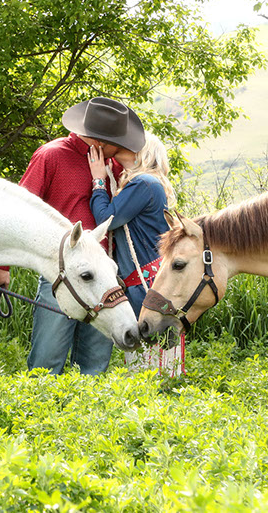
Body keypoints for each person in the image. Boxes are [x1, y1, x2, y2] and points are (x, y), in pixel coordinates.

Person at [0, 97, 145, 375]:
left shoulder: (114, 166)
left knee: (94, 366)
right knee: (46, 363)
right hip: (60, 275)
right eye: (118, 143)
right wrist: (1, 265)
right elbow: (18, 211)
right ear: (100, 141)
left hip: (104, 276)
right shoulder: (51, 156)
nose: (123, 149)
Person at [87, 133, 182, 375]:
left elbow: (106, 219)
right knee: (157, 362)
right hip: (148, 282)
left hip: (143, 286)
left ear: (142, 152)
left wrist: (98, 181)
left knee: (147, 363)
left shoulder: (144, 184)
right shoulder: (149, 184)